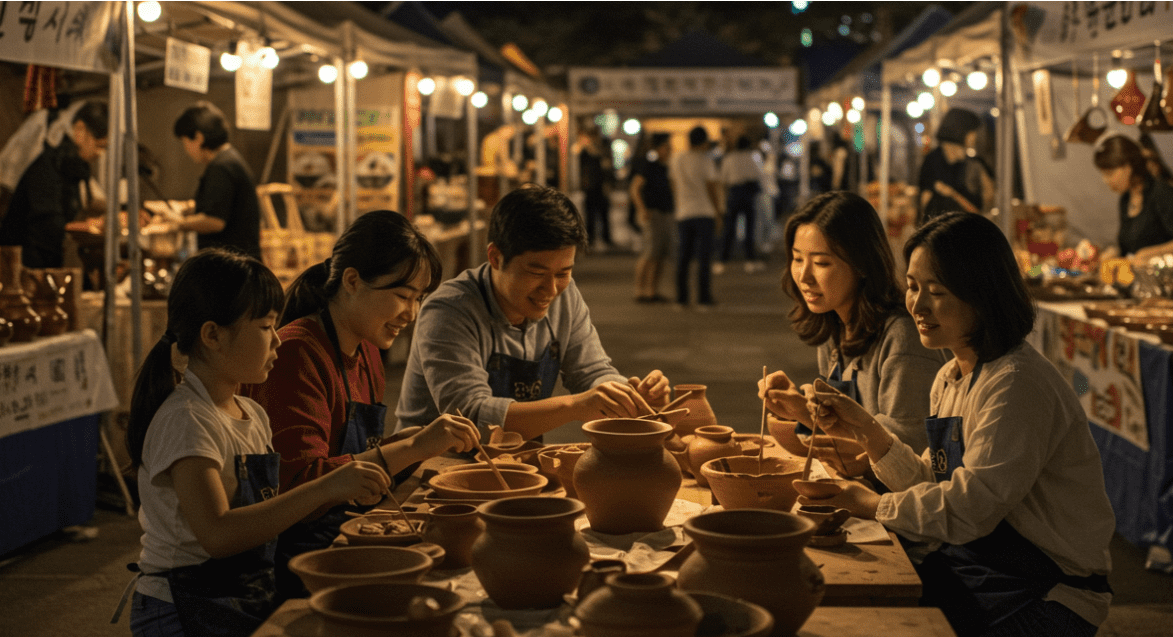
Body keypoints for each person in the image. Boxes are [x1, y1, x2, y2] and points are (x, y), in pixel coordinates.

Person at [806, 212, 1114, 637]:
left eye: (937, 291)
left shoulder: (1015, 384)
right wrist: (865, 430)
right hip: (984, 570)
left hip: (1047, 595)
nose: (917, 305)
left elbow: (972, 508)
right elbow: (937, 485)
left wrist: (873, 506)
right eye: (913, 287)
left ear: (982, 295)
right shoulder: (951, 376)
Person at [123, 249, 392, 637]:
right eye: (266, 327)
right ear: (213, 334)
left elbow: (270, 511)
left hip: (242, 594)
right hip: (182, 608)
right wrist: (326, 486)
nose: (279, 342)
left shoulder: (251, 412)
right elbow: (217, 535)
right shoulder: (188, 419)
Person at [243, 210, 478, 599]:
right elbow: (299, 485)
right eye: (403, 296)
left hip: (343, 530)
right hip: (296, 558)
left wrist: (411, 442)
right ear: (352, 280)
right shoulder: (297, 353)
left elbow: (356, 457)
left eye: (419, 298)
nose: (412, 314)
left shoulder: (367, 349)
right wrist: (413, 448)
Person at [396, 184, 670, 441]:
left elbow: (591, 372)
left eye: (563, 272)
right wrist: (574, 406)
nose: (550, 290)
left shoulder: (565, 296)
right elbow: (472, 416)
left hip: (513, 463)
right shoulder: (449, 311)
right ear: (495, 257)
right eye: (536, 273)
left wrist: (624, 394)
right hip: (431, 469)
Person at [758, 191, 943, 478]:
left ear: (861, 264)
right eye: (797, 259)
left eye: (821, 263)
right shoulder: (835, 326)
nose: (804, 276)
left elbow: (907, 460)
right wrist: (800, 408)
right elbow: (849, 436)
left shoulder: (903, 339)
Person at [0, 101, 108, 267]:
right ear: (80, 130)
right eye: (99, 145)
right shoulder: (48, 167)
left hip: (44, 259)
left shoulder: (75, 169)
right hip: (22, 264)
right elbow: (47, 226)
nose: (100, 154)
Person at [170, 102, 262, 261]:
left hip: (232, 266)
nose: (186, 150)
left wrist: (177, 223)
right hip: (239, 262)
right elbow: (220, 204)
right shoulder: (228, 159)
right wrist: (184, 210)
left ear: (198, 138)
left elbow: (214, 221)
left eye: (185, 143)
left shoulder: (222, 166)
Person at [1093, 134, 1173, 262]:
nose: (1105, 180)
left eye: (1109, 173)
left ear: (1129, 167)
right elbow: (1128, 250)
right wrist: (1115, 253)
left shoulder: (1161, 192)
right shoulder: (1125, 200)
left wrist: (1150, 253)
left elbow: (1142, 253)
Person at [670, 125, 722, 309]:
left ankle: (681, 298)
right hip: (704, 213)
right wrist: (718, 212)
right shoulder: (705, 160)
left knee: (683, 257)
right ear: (704, 141)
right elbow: (711, 188)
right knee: (704, 258)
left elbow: (674, 184)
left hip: (684, 213)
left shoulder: (676, 159)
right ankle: (703, 298)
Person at [917, 108, 994, 226]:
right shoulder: (933, 161)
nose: (974, 137)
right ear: (961, 130)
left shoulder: (974, 163)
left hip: (969, 227)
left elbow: (989, 195)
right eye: (972, 131)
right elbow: (925, 198)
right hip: (941, 229)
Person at [629, 132, 674, 303]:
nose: (669, 150)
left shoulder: (667, 167)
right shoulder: (649, 166)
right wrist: (642, 209)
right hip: (651, 213)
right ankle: (639, 290)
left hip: (665, 212)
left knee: (660, 254)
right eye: (666, 147)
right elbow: (635, 188)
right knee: (649, 253)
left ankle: (652, 290)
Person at [716, 135, 766, 274]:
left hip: (733, 193)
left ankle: (722, 261)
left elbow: (723, 180)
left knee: (729, 229)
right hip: (748, 194)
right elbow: (758, 176)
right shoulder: (751, 158)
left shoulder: (729, 158)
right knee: (749, 229)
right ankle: (750, 260)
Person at [578, 126, 613, 249]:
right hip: (590, 187)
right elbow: (582, 171)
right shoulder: (584, 152)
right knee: (590, 215)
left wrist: (608, 184)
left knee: (604, 214)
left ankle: (606, 239)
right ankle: (590, 239)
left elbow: (608, 169)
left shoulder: (603, 150)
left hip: (601, 186)